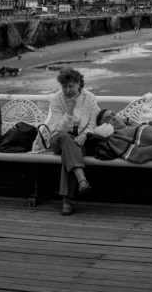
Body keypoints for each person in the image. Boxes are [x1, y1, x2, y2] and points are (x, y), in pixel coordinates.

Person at [49, 68, 99, 216]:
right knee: (67, 140)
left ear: (79, 84)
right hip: (58, 139)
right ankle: (82, 180)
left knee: (70, 152)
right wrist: (69, 111)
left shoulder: (90, 98)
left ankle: (67, 202)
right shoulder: (57, 99)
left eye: (71, 86)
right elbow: (59, 130)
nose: (67, 90)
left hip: (79, 141)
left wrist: (85, 135)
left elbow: (92, 124)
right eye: (64, 86)